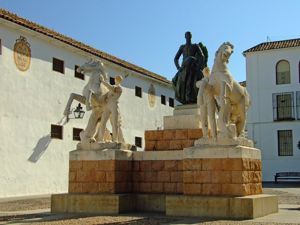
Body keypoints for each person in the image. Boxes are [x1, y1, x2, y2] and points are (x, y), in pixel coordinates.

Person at [172, 31, 205, 104]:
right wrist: (178, 67)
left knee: (190, 82)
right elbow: (176, 58)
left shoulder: (195, 46)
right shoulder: (182, 47)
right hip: (183, 67)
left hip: (192, 67)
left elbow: (202, 56)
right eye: (187, 36)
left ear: (191, 36)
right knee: (174, 80)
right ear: (185, 37)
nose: (188, 37)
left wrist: (199, 67)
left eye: (189, 35)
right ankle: (182, 99)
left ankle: (189, 98)